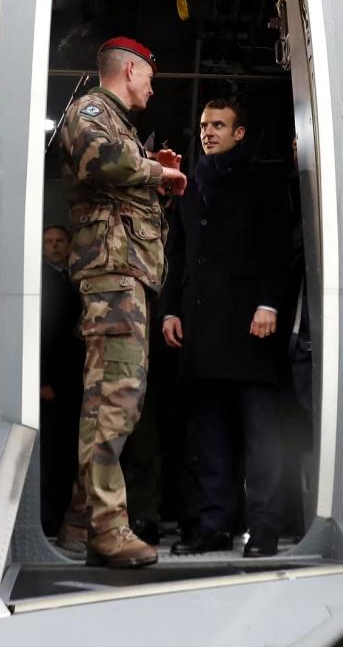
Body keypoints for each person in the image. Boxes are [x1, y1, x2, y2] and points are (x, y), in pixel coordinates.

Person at [52, 36, 187, 569]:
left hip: (125, 280)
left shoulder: (118, 125)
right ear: (129, 70)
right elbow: (98, 159)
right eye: (150, 78)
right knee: (114, 401)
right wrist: (159, 172)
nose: (152, 91)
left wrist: (152, 170)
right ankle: (108, 530)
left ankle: (80, 526)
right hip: (112, 280)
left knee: (118, 401)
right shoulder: (92, 111)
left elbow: (117, 175)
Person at [162, 99, 293, 558]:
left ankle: (264, 528)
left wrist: (270, 302)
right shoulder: (190, 187)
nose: (208, 132)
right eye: (203, 125)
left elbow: (280, 245)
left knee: (262, 437)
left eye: (218, 125)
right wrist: (170, 310)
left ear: (240, 133)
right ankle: (214, 525)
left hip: (252, 327)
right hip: (200, 328)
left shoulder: (263, 180)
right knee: (209, 436)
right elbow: (177, 253)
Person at [38, 225, 84, 535]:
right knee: (51, 454)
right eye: (48, 242)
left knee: (70, 452)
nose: (54, 246)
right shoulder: (40, 281)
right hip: (51, 382)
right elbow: (42, 334)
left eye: (59, 241)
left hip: (75, 380)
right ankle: (50, 518)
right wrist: (42, 380)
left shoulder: (76, 279)